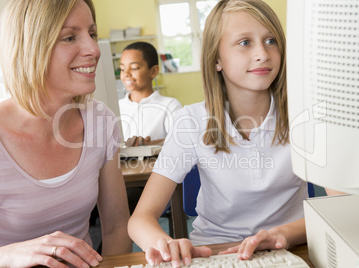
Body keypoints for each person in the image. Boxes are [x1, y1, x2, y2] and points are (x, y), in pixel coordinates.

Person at [128, 0, 331, 266]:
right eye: (245, 42)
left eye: (271, 40)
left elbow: (343, 206)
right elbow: (140, 218)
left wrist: (284, 234)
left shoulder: (306, 115)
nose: (263, 53)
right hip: (213, 252)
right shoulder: (191, 120)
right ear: (216, 59)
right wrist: (163, 244)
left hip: (292, 250)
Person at [0, 0, 132, 267]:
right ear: (29, 47)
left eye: (92, 33)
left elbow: (116, 227)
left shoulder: (100, 121)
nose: (92, 49)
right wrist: (10, 254)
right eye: (69, 37)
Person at [118, 42, 182, 147]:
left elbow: (181, 139)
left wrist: (150, 144)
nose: (126, 74)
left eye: (134, 68)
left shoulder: (169, 106)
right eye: (122, 69)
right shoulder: (116, 107)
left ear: (153, 71)